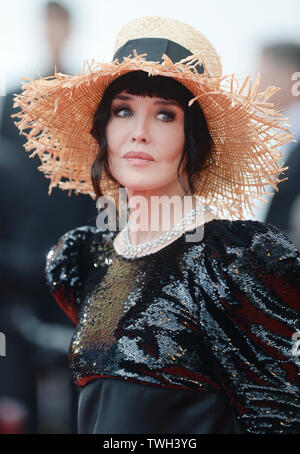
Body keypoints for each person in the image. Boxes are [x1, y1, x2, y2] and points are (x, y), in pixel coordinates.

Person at [12, 16, 300, 434]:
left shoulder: (234, 260)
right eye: (123, 110)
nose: (139, 133)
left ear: (194, 139)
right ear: (103, 130)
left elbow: (278, 419)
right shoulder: (84, 259)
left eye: (165, 115)